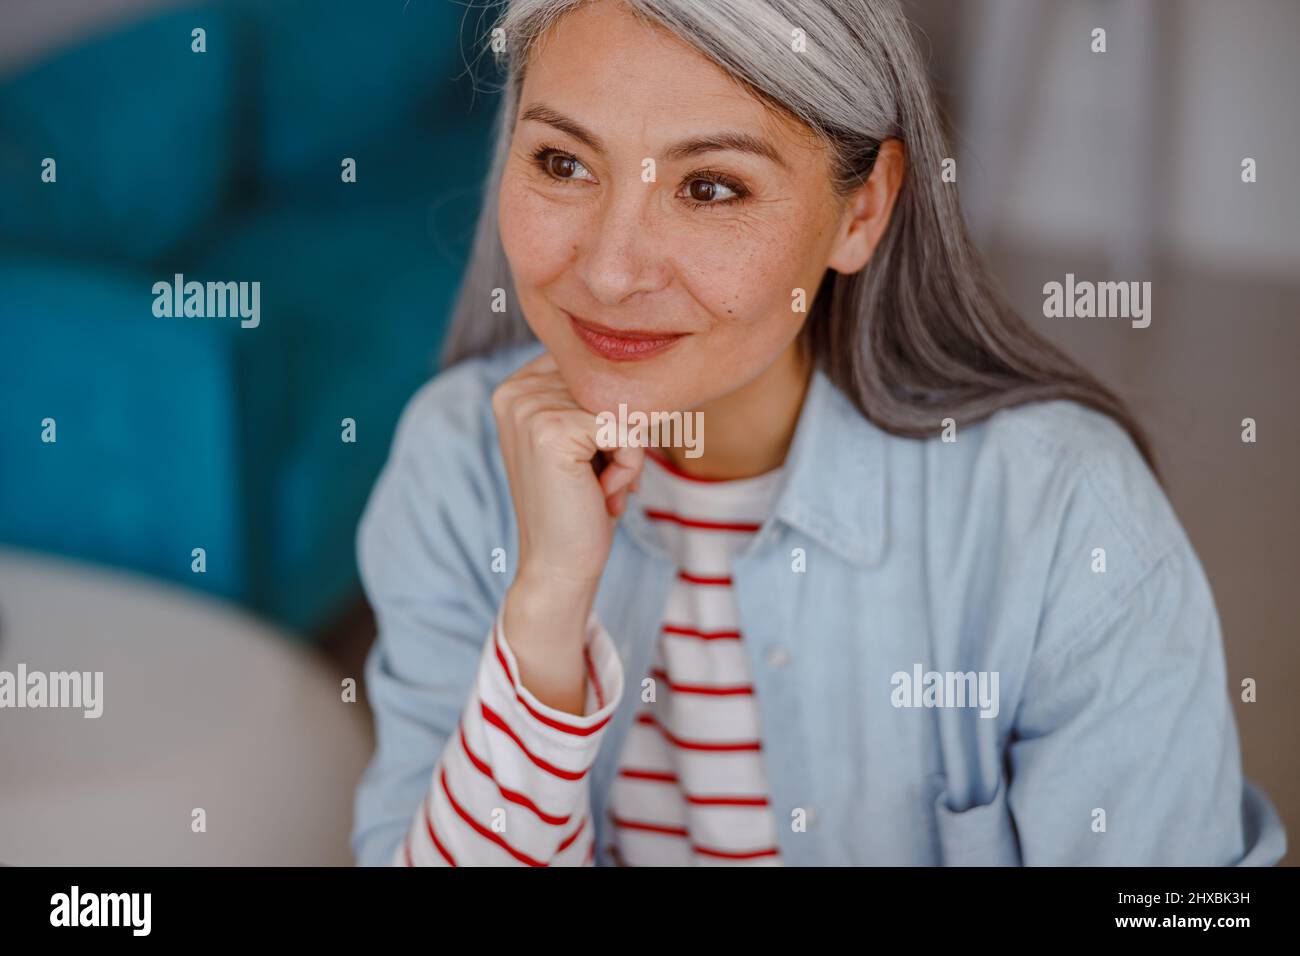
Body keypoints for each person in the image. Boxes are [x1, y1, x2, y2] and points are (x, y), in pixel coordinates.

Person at [350, 0, 1286, 866]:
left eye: (711, 187)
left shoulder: (1064, 514)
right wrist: (546, 612)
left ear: (862, 210)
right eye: (563, 163)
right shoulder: (455, 463)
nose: (609, 270)